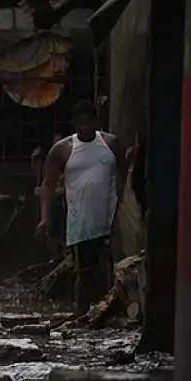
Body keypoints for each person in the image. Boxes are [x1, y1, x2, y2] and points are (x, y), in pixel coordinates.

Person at [38, 100, 122, 315]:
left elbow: (126, 175)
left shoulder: (111, 143)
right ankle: (81, 315)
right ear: (74, 123)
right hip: (81, 221)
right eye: (81, 123)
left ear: (97, 121)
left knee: (120, 267)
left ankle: (115, 312)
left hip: (111, 216)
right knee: (84, 273)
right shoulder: (63, 149)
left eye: (90, 122)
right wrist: (44, 218)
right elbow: (47, 185)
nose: (85, 127)